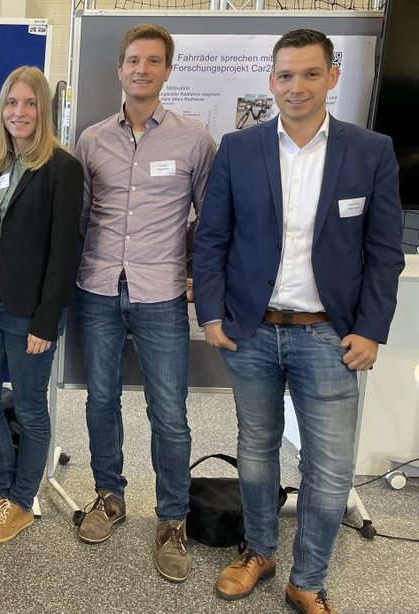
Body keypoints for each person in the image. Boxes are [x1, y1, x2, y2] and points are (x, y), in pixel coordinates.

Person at [194, 29, 404, 614]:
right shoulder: (240, 148)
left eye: (311, 73)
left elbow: (384, 252)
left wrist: (371, 328)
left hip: (329, 335)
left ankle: (307, 580)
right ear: (271, 80)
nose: (297, 87)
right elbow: (211, 239)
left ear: (333, 76)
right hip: (252, 331)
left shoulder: (370, 151)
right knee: (257, 450)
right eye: (285, 75)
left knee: (330, 469)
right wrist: (210, 312)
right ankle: (259, 552)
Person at [72, 23, 216, 582]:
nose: (142, 69)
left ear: (167, 71)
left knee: (169, 414)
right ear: (120, 69)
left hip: (161, 294)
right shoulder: (91, 140)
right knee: (101, 401)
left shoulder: (194, 139)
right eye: (134, 60)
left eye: (154, 61)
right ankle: (109, 496)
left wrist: (193, 273)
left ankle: (172, 518)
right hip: (98, 288)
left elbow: (210, 219)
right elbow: (82, 217)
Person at [0, 65, 83, 544]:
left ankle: (22, 501)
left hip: (29, 312)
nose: (19, 112)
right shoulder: (3, 165)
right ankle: (1, 490)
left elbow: (64, 252)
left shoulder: (62, 168)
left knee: (29, 411)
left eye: (30, 103)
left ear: (43, 110)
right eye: (11, 103)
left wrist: (46, 322)